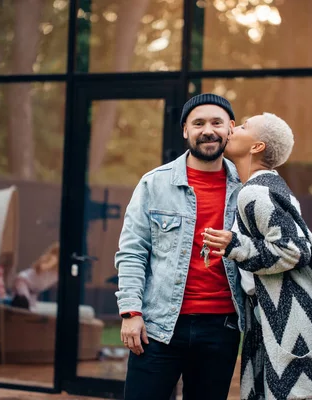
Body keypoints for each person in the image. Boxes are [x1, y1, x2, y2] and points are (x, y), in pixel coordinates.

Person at [202, 113, 312, 400]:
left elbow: (295, 249)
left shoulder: (255, 192)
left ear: (257, 147)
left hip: (289, 321)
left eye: (243, 126)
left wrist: (236, 246)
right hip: (279, 317)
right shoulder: (265, 187)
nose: (232, 128)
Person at [115, 93, 246, 400]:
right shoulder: (154, 184)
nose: (208, 130)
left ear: (230, 128)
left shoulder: (248, 188)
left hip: (221, 327)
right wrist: (130, 312)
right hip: (158, 327)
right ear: (185, 130)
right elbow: (133, 251)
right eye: (198, 123)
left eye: (216, 122)